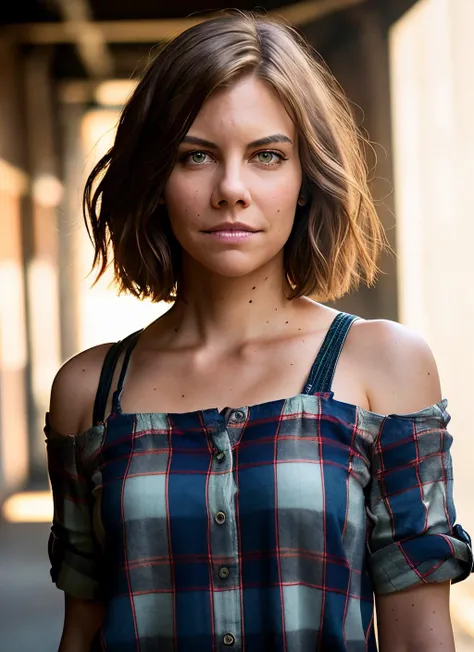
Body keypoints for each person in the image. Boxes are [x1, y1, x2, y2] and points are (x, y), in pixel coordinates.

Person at [45, 9, 473, 652]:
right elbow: (82, 629)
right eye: (196, 156)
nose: (232, 189)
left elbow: (419, 639)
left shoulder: (383, 365)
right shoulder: (88, 391)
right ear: (156, 178)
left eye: (267, 155)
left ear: (305, 179)